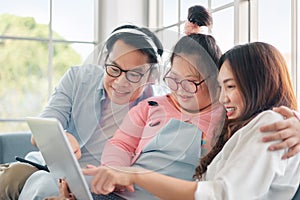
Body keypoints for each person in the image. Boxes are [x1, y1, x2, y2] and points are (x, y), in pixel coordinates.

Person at [82, 42, 300, 199]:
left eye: (230, 86)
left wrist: (136, 176)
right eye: (223, 87)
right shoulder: (152, 107)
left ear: (260, 84)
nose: (223, 99)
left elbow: (221, 195)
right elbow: (120, 144)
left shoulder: (271, 124)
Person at [0, 24, 164, 200]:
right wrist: (60, 138)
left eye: (134, 75)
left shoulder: (157, 111)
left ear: (151, 76)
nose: (120, 82)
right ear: (104, 61)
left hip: (96, 190)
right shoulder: (78, 79)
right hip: (46, 168)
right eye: (114, 69)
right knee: (12, 179)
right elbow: (41, 129)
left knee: (45, 189)